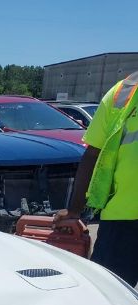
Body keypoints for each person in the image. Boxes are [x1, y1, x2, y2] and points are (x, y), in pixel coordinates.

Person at [55, 71, 138, 286]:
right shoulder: (124, 92)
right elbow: (93, 153)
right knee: (110, 295)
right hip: (122, 220)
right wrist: (74, 210)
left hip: (122, 220)